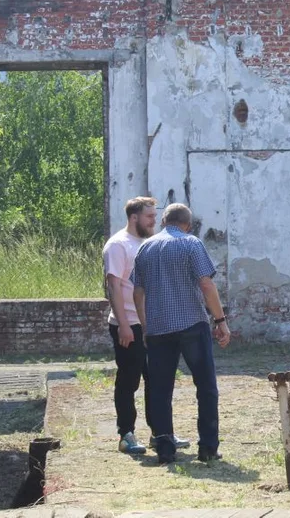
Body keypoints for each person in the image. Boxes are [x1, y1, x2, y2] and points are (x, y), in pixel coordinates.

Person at [132, 203, 231, 464]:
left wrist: (145, 327)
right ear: (187, 224)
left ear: (164, 221)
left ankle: (165, 446)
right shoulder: (191, 243)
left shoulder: (145, 248)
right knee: (206, 386)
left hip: (158, 328)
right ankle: (208, 447)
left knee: (160, 390)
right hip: (191, 324)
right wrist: (220, 320)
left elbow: (138, 292)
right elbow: (206, 282)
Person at [104, 195, 191, 456]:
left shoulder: (149, 243)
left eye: (155, 216)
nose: (156, 221)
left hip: (152, 324)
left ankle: (161, 433)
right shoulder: (118, 245)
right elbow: (114, 286)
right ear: (134, 218)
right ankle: (126, 435)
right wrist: (123, 325)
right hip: (129, 323)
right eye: (150, 217)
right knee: (129, 381)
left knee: (157, 380)